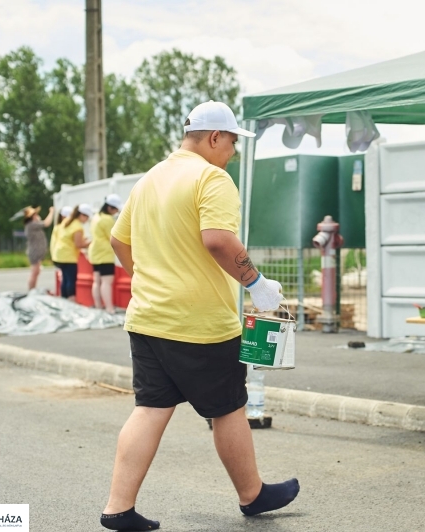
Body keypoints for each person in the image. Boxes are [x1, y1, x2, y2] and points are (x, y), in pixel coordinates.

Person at [101, 101, 298, 532]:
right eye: (231, 142)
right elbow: (218, 240)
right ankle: (253, 494)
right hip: (199, 324)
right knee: (229, 407)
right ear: (213, 138)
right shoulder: (212, 178)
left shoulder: (150, 178)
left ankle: (118, 506)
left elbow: (119, 241)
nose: (232, 152)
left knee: (150, 408)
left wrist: (150, 277)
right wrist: (258, 285)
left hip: (148, 318)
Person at [89, 194, 122, 313]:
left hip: (95, 253)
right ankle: (109, 308)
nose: (116, 212)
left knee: (97, 281)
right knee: (107, 281)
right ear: (109, 208)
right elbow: (114, 237)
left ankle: (98, 306)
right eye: (116, 209)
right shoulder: (107, 220)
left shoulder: (96, 217)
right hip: (105, 254)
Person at [56, 204, 93, 301]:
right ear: (82, 215)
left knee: (65, 279)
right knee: (71, 280)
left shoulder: (67, 221)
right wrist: (91, 242)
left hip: (60, 254)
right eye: (87, 217)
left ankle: (63, 300)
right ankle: (71, 301)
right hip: (69, 256)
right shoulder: (77, 227)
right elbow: (78, 244)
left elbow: (69, 238)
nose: (87, 220)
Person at [21, 206, 55, 290]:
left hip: (36, 252)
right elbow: (46, 223)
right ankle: (31, 290)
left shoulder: (32, 225)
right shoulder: (32, 225)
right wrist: (51, 212)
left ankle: (33, 289)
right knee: (34, 272)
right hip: (34, 252)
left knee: (36, 272)